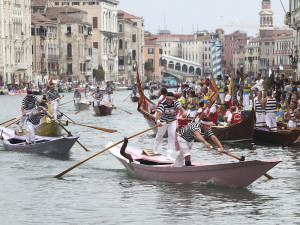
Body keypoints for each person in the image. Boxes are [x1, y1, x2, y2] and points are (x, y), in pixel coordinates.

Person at [154, 92, 187, 159]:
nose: (169, 101)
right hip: (163, 121)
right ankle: (156, 148)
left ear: (173, 99)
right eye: (167, 99)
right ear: (166, 98)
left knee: (171, 136)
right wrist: (158, 121)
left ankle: (169, 154)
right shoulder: (162, 104)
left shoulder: (175, 103)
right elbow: (158, 113)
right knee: (160, 135)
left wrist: (184, 112)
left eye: (170, 99)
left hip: (172, 121)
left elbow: (181, 108)